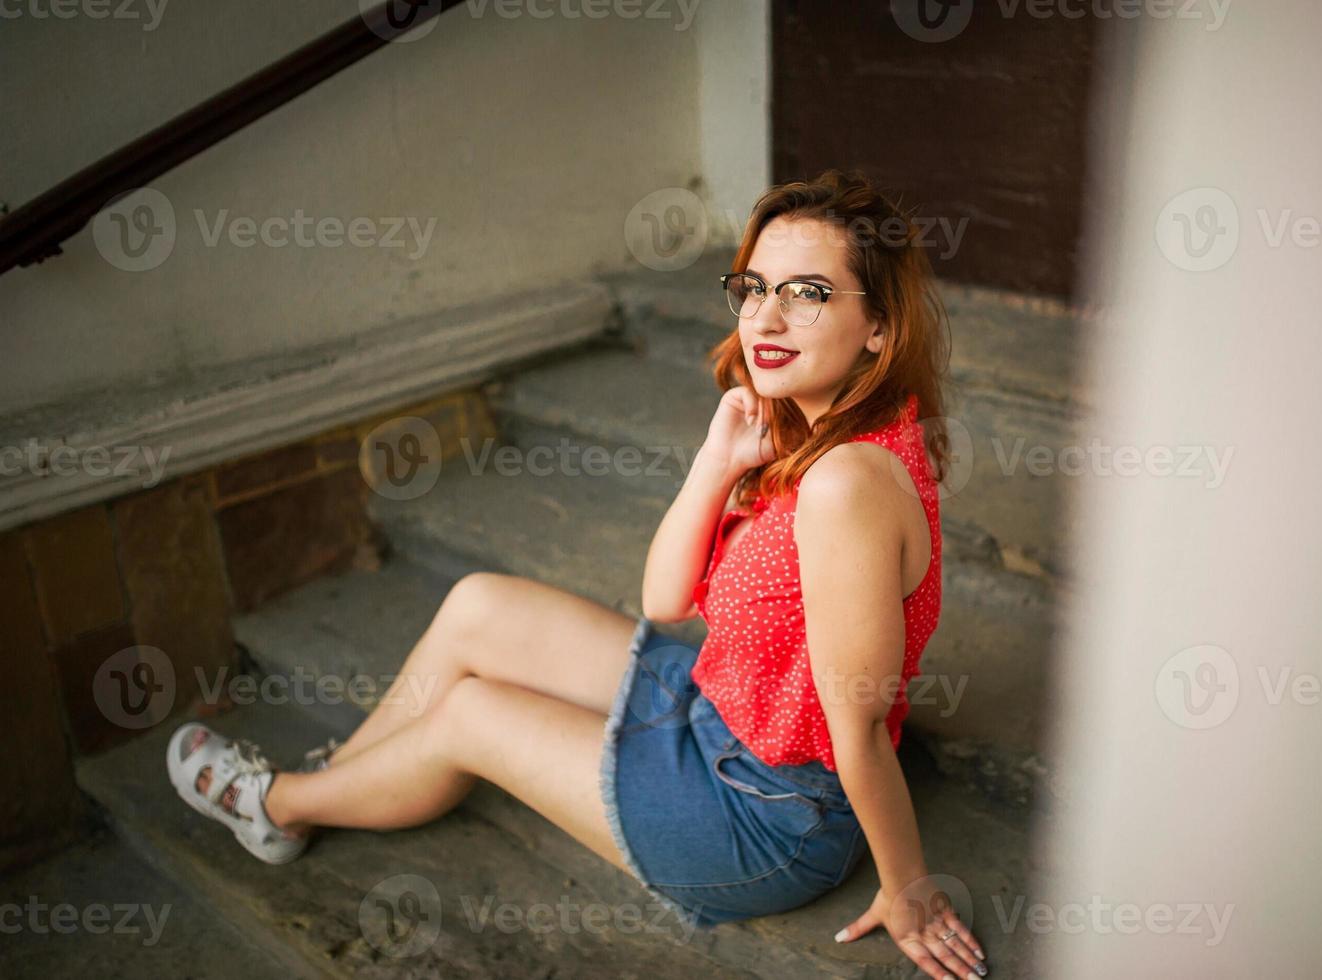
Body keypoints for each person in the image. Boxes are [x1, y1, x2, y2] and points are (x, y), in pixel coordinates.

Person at [166, 169, 987, 979]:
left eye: (807, 292)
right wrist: (715, 462)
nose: (764, 317)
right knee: (478, 604)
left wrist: (908, 887)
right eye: (755, 287)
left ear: (878, 326)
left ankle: (278, 806)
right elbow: (665, 601)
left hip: (766, 817)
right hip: (716, 711)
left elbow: (856, 725)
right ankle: (345, 774)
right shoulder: (813, 436)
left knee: (471, 715)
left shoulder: (845, 484)